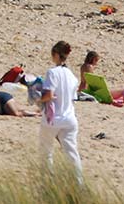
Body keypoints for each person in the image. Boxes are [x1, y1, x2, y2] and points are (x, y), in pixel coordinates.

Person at [39, 40, 82, 182]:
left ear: (56, 55)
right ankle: (78, 182)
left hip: (53, 118)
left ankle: (47, 181)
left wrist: (38, 99)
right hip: (69, 118)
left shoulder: (52, 72)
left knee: (46, 151)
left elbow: (49, 95)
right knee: (71, 153)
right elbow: (72, 97)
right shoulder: (72, 76)